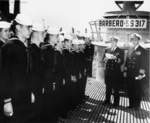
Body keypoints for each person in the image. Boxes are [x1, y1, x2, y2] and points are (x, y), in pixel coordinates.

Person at [1, 13, 32, 122]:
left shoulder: (23, 47)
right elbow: (4, 76)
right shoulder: (9, 47)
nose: (30, 30)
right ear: (18, 27)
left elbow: (26, 74)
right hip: (13, 100)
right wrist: (7, 101)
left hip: (24, 97)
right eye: (28, 27)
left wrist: (30, 92)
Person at [125, 33, 148, 109]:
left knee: (137, 89)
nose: (133, 41)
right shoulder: (130, 49)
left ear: (138, 40)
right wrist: (125, 71)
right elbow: (127, 61)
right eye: (132, 39)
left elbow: (144, 64)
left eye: (135, 39)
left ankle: (137, 105)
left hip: (137, 74)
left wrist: (141, 75)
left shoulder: (143, 50)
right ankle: (131, 104)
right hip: (130, 73)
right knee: (130, 88)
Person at [29, 22, 45, 120]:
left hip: (39, 88)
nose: (45, 35)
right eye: (42, 33)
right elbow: (30, 73)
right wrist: (31, 92)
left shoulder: (38, 50)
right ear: (35, 34)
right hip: (33, 90)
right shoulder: (31, 50)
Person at [103, 36, 124, 106]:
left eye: (113, 41)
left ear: (116, 42)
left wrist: (115, 58)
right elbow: (103, 59)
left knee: (116, 88)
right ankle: (107, 100)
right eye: (111, 41)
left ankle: (116, 103)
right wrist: (105, 59)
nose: (112, 43)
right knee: (108, 87)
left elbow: (121, 61)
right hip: (108, 72)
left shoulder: (120, 50)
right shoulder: (107, 49)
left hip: (116, 72)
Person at [0, 20, 11, 122]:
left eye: (9, 31)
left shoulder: (6, 46)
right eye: (5, 31)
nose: (8, 33)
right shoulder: (2, 48)